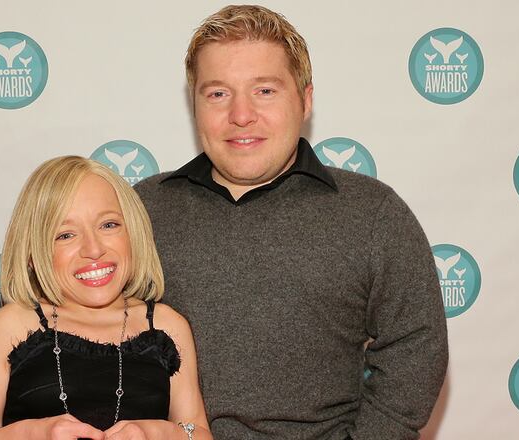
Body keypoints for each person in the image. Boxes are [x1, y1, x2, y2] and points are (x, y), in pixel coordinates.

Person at [135, 5, 448, 440]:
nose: (241, 115)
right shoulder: (138, 210)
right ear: (195, 105)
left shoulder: (372, 213)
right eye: (218, 94)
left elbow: (417, 348)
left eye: (264, 91)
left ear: (305, 99)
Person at [0, 156, 211, 440]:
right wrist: (36, 433)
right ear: (33, 253)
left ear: (134, 232)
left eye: (108, 225)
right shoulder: (11, 326)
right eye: (65, 235)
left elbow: (197, 431)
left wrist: (158, 433)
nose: (93, 249)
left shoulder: (166, 326)